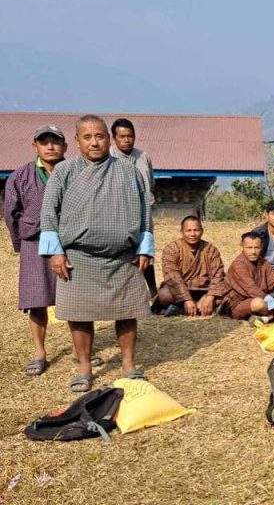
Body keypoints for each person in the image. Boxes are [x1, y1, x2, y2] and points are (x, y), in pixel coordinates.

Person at [39, 115, 154, 392]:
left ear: (108, 139)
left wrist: (145, 246)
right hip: (78, 257)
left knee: (127, 312)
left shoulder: (129, 171)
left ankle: (128, 365)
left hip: (122, 257)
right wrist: (55, 253)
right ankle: (84, 367)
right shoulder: (65, 172)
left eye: (100, 136)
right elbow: (48, 213)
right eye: (87, 137)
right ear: (77, 142)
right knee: (79, 314)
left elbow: (145, 211)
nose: (94, 142)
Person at [3, 125, 67, 376]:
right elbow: (10, 212)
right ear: (35, 147)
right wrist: (20, 242)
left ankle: (80, 349)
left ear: (65, 146)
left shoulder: (74, 172)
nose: (50, 147)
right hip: (34, 242)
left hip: (68, 242)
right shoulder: (20, 176)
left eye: (55, 142)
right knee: (36, 300)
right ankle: (39, 352)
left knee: (73, 297)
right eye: (44, 142)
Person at [110, 117, 157, 296]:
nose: (126, 140)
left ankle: (153, 294)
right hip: (117, 214)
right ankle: (123, 293)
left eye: (130, 136)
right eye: (122, 136)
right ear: (114, 138)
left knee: (146, 252)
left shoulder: (143, 157)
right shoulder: (108, 158)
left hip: (143, 212)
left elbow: (150, 183)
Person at [153, 216, 228, 317]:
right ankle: (197, 308)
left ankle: (182, 310)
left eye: (196, 230)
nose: (192, 234)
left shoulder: (211, 249)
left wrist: (209, 297)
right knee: (164, 295)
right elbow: (173, 278)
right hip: (180, 291)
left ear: (202, 231)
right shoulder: (172, 249)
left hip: (205, 290)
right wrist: (187, 299)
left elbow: (218, 275)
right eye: (188, 231)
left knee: (229, 292)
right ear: (182, 232)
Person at [222, 231, 274, 322]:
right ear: (242, 246)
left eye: (256, 247)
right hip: (239, 303)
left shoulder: (263, 262)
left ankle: (268, 317)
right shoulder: (239, 265)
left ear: (261, 247)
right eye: (249, 248)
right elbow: (252, 289)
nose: (253, 252)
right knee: (259, 304)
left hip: (263, 296)